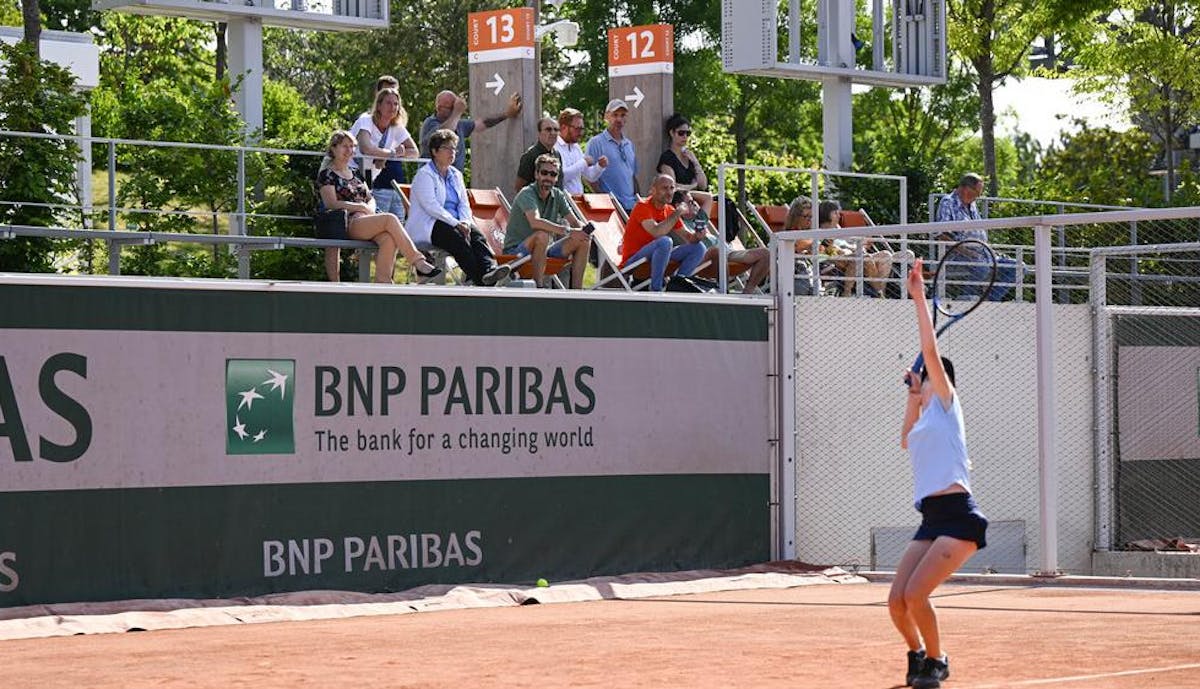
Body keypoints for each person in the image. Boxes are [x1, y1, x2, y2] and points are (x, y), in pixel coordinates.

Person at [892, 257, 989, 689]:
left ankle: (937, 660)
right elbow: (905, 440)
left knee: (917, 595)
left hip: (958, 516)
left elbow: (930, 353)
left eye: (929, 378)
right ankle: (916, 653)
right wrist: (913, 396)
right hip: (931, 517)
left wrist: (918, 298)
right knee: (896, 602)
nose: (925, 378)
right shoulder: (926, 415)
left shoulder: (949, 408)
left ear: (941, 381)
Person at [316, 130, 441, 284]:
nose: (349, 150)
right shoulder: (327, 174)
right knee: (390, 218)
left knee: (388, 239)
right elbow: (331, 203)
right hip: (348, 222)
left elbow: (370, 197)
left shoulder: (356, 173)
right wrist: (360, 207)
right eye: (344, 146)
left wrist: (368, 207)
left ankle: (383, 282)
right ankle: (418, 262)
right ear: (334, 148)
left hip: (367, 219)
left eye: (351, 146)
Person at [407, 128, 511, 286]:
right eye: (447, 148)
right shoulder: (424, 175)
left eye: (454, 148)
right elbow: (431, 207)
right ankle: (482, 281)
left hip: (456, 222)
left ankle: (489, 270)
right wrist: (456, 224)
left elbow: (463, 203)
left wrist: (466, 222)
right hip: (432, 223)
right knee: (456, 238)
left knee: (477, 236)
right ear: (434, 151)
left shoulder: (456, 175)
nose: (452, 152)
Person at [504, 154, 592, 289]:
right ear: (536, 174)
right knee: (542, 235)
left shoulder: (558, 195)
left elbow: (574, 222)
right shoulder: (527, 193)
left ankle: (577, 292)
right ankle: (539, 288)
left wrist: (584, 229)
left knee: (583, 239)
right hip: (517, 252)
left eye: (553, 174)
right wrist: (568, 231)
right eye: (544, 173)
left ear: (556, 178)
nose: (548, 178)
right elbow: (535, 221)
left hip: (544, 249)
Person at [934, 173, 1022, 301]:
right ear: (965, 188)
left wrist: (988, 250)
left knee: (1018, 267)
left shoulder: (972, 204)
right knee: (983, 267)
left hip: (983, 253)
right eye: (977, 192)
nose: (978, 197)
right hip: (957, 254)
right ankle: (966, 298)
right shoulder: (948, 202)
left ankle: (989, 300)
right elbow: (941, 235)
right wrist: (968, 252)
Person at [620, 174, 706, 292]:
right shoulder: (642, 207)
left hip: (659, 256)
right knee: (665, 242)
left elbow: (688, 238)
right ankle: (656, 289)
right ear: (653, 190)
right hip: (634, 259)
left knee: (698, 247)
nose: (669, 192)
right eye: (665, 188)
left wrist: (697, 235)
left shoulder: (669, 210)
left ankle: (678, 285)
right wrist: (678, 212)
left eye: (672, 188)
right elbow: (657, 232)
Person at [350, 86, 418, 221]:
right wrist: (390, 154)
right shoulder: (366, 120)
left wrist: (386, 156)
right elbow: (366, 148)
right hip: (349, 174)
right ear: (379, 105)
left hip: (367, 181)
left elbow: (414, 152)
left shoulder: (397, 128)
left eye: (396, 104)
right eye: (388, 103)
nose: (392, 107)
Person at [418, 90, 522, 171]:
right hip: (433, 177)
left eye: (455, 107)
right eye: (451, 107)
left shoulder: (458, 123)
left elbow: (483, 123)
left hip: (452, 179)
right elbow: (443, 135)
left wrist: (507, 114)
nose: (455, 109)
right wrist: (457, 112)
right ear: (439, 108)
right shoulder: (430, 123)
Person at [818, 200, 896, 297]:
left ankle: (881, 290)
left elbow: (851, 245)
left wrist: (862, 244)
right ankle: (879, 294)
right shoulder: (819, 233)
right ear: (826, 214)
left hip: (856, 255)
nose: (839, 216)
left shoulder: (838, 230)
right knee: (863, 258)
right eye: (835, 213)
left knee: (886, 255)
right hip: (841, 260)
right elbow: (826, 252)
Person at [585, 99, 638, 212]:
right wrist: (604, 199)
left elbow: (632, 176)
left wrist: (638, 201)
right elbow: (588, 176)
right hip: (611, 207)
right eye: (615, 115)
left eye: (623, 115)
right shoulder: (596, 142)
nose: (619, 119)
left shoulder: (629, 144)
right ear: (606, 116)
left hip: (631, 206)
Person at [657, 114, 711, 216]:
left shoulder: (689, 156)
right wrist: (692, 186)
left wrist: (695, 162)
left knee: (710, 198)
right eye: (681, 133)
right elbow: (672, 186)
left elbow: (703, 185)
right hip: (676, 199)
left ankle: (702, 224)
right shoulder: (667, 158)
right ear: (672, 133)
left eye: (688, 133)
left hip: (690, 198)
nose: (685, 137)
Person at [554, 107, 606, 194]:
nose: (581, 133)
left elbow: (590, 176)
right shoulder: (554, 147)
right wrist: (584, 163)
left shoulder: (576, 147)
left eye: (582, 129)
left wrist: (599, 166)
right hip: (562, 202)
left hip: (578, 201)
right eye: (577, 129)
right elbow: (561, 177)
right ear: (563, 127)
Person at [514, 117, 564, 192]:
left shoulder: (557, 155)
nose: (553, 133)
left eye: (556, 130)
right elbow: (519, 187)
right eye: (548, 129)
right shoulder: (530, 156)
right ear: (539, 133)